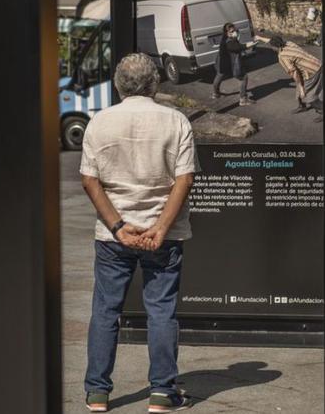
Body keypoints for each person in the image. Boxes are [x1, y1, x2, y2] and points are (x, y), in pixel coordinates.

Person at [80, 53, 195, 413]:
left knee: (105, 310)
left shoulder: (99, 122)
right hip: (164, 235)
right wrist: (160, 227)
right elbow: (184, 179)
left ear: (118, 85)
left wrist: (117, 225)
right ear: (154, 83)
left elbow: (89, 180)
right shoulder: (176, 121)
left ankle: (98, 393)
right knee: (161, 311)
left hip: (114, 237)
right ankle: (161, 392)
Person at [264, 35, 322, 120]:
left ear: (274, 47)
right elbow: (271, 40)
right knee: (299, 88)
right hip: (317, 64)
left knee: (307, 95)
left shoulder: (282, 56)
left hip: (311, 71)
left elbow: (295, 73)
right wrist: (258, 37)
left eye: (271, 46)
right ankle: (302, 106)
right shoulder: (288, 43)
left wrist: (301, 88)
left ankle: (321, 111)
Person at [212, 22, 257, 106]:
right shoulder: (229, 42)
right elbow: (239, 47)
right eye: (231, 32)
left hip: (223, 62)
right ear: (226, 33)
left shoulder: (226, 38)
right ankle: (243, 99)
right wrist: (252, 44)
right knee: (244, 77)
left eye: (234, 30)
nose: (234, 32)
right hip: (226, 63)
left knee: (219, 76)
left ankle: (216, 94)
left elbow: (238, 46)